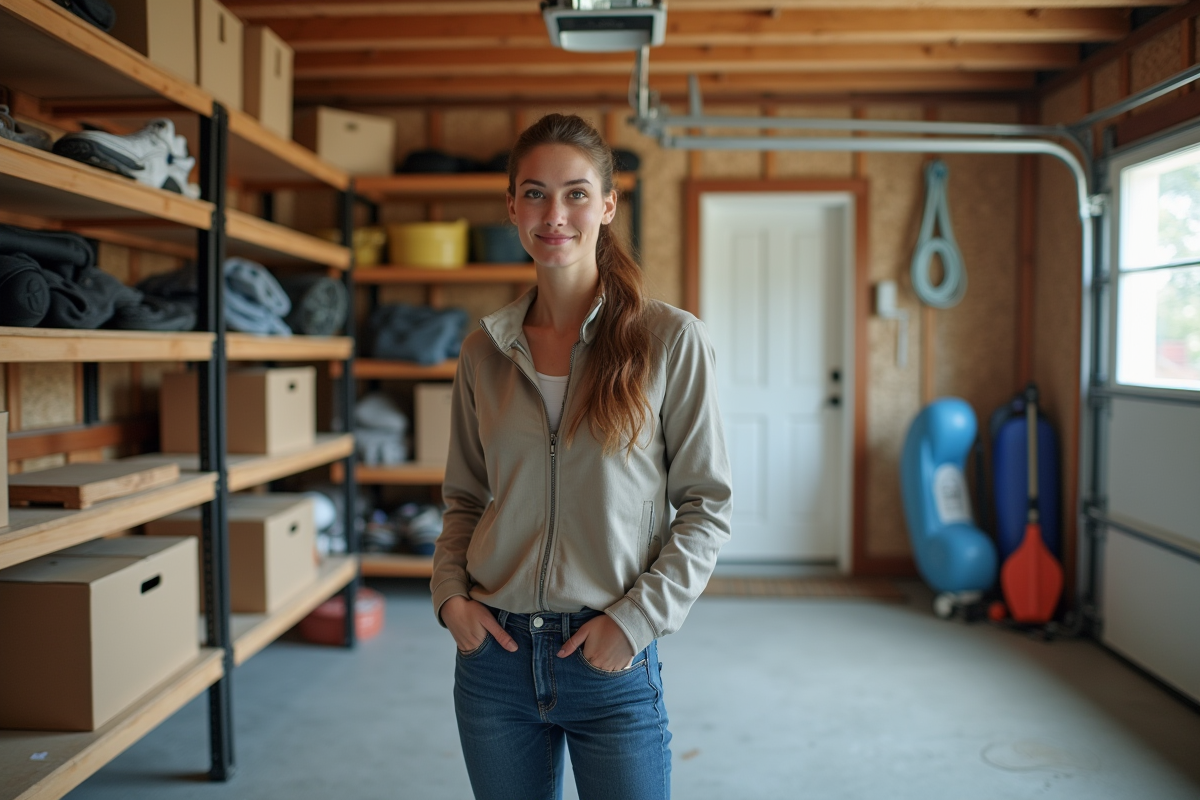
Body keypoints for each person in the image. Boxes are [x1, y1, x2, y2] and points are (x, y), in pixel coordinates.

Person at [431, 113, 733, 800]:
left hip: (611, 657)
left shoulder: (670, 341)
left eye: (574, 192)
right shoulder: (484, 350)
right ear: (511, 206)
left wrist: (635, 624)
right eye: (534, 193)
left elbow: (707, 507)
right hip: (494, 660)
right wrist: (452, 600)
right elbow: (464, 500)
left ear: (607, 204)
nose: (553, 213)